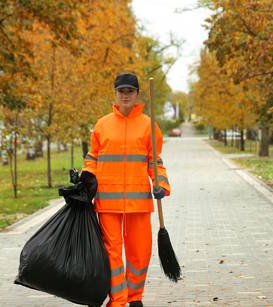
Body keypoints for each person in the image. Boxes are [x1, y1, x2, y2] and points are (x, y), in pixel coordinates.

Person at [80, 72, 171, 307]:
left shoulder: (149, 126)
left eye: (130, 91)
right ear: (115, 93)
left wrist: (160, 183)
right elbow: (92, 158)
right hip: (107, 203)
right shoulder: (102, 125)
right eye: (121, 91)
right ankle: (118, 300)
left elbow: (155, 161)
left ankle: (135, 297)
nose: (125, 95)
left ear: (138, 94)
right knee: (112, 253)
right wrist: (86, 180)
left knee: (139, 253)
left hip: (139, 202)